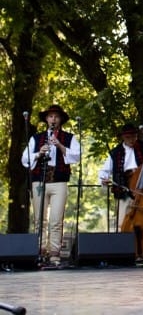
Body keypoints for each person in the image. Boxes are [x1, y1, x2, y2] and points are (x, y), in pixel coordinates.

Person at [22, 104, 81, 267]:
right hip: (39, 182)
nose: (53, 119)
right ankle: (39, 252)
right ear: (46, 119)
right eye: (50, 116)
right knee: (39, 219)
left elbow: (76, 157)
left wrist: (60, 145)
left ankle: (54, 254)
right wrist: (39, 152)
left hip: (59, 182)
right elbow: (24, 159)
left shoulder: (69, 137)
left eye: (56, 116)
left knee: (56, 219)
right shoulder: (36, 138)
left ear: (60, 119)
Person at [98, 123, 143, 230]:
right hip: (124, 190)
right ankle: (123, 242)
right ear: (122, 137)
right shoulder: (115, 153)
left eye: (134, 137)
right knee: (122, 221)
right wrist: (103, 179)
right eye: (128, 137)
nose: (132, 140)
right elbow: (104, 171)